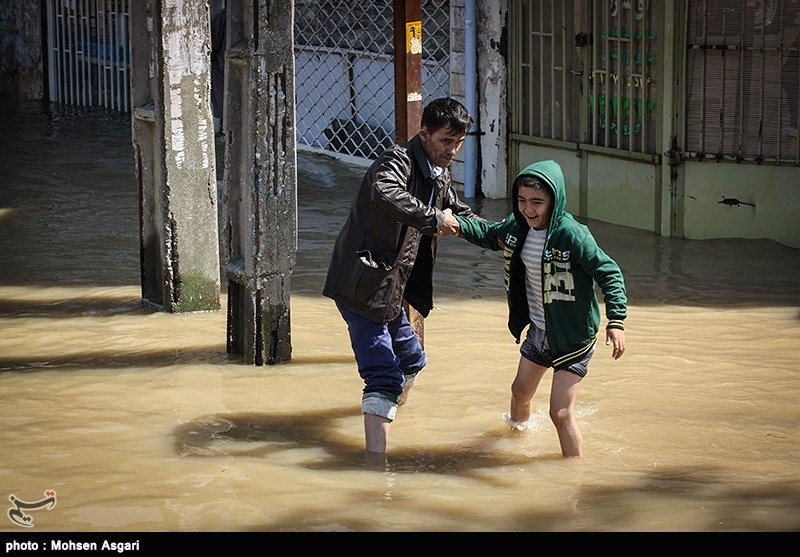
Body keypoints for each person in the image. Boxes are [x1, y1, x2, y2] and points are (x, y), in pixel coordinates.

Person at [323, 97, 481, 465]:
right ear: (423, 134)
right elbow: (385, 193)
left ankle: (388, 414)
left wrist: (503, 236)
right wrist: (434, 219)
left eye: (458, 143)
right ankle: (375, 466)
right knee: (383, 375)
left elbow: (460, 214)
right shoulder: (397, 161)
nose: (452, 151)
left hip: (391, 287)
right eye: (446, 141)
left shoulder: (438, 174)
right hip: (361, 283)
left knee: (412, 359)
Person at [453, 160, 627, 458]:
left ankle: (573, 480)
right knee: (520, 393)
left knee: (559, 413)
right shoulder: (517, 227)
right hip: (539, 331)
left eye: (537, 202)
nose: (528, 209)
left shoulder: (572, 235)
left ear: (554, 201)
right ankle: (515, 447)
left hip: (573, 337)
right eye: (521, 201)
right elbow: (488, 233)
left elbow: (609, 272)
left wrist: (617, 320)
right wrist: (455, 225)